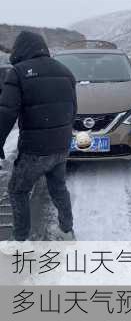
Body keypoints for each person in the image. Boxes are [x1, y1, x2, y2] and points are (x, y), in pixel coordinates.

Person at [0, 31, 77, 242]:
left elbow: (6, 112)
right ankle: (66, 230)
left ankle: (20, 240)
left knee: (17, 190)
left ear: (21, 49)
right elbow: (73, 111)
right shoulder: (66, 72)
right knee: (59, 188)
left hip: (34, 150)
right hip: (61, 147)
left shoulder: (18, 73)